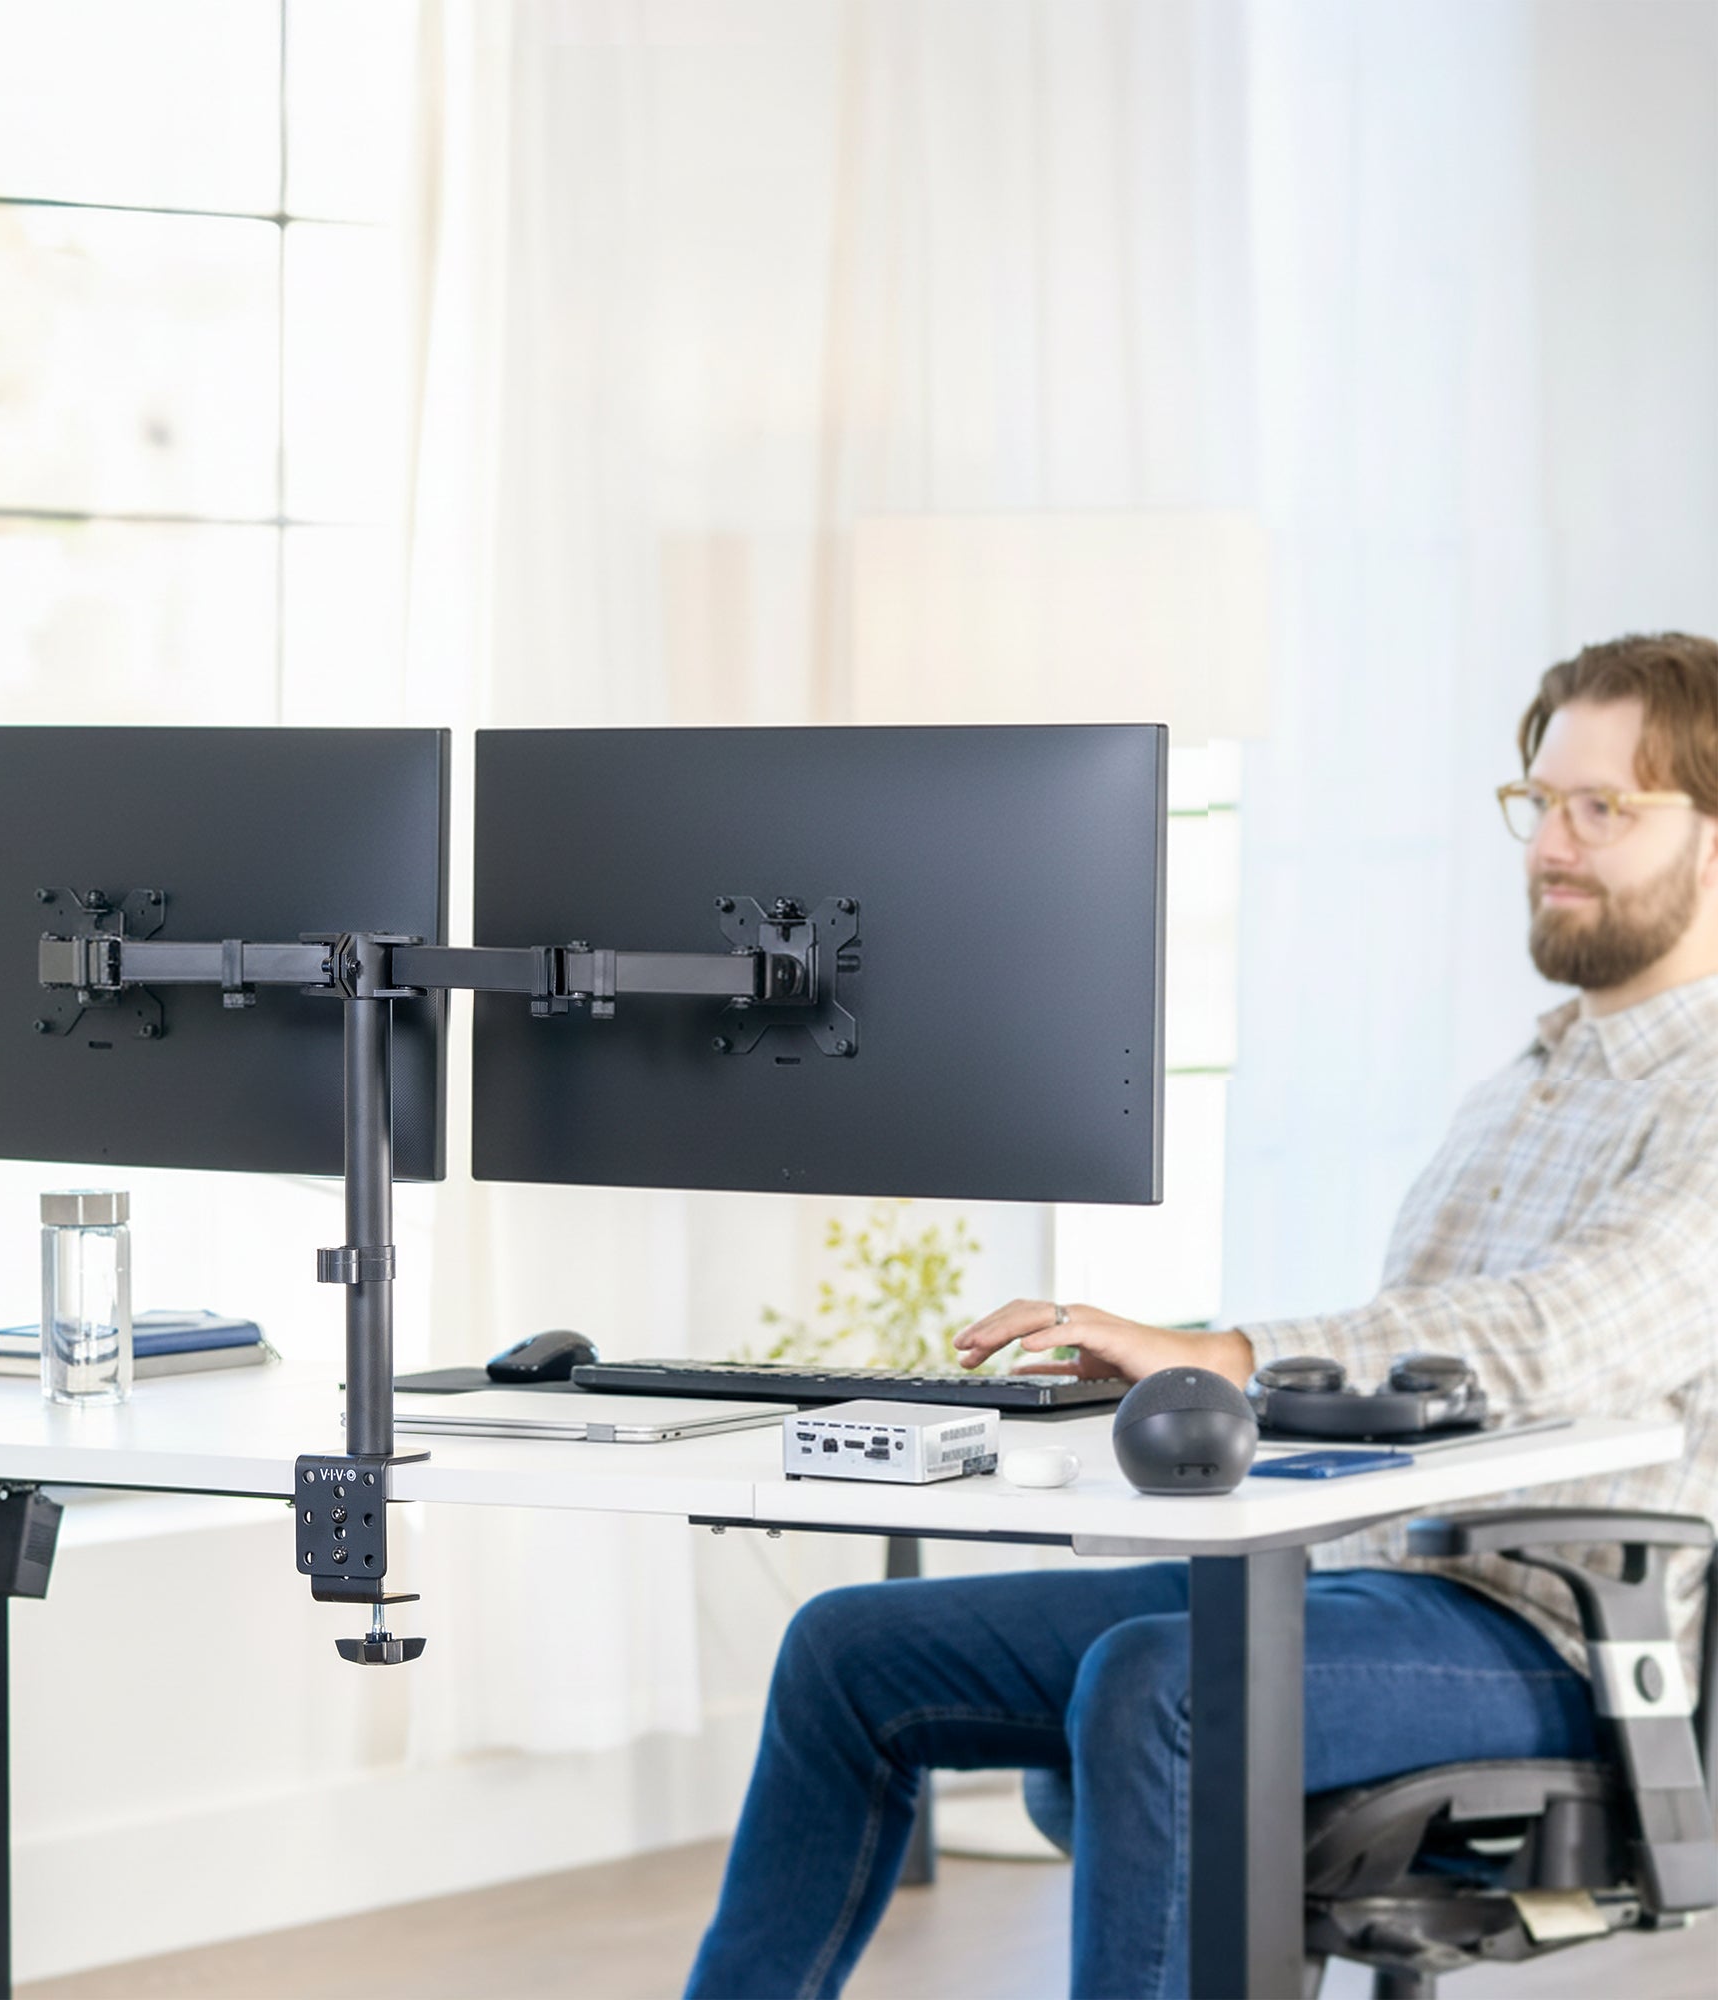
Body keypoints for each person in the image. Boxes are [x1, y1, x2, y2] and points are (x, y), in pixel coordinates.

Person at [685, 632, 1718, 2000]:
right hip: (1372, 1578)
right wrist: (1151, 1376)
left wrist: (1218, 1357)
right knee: (850, 1652)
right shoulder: (1527, 1083)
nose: (1554, 843)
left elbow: (1559, 1337)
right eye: (1540, 805)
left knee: (1156, 1680)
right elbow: (1408, 1356)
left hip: (1560, 1635)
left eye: (1607, 808)